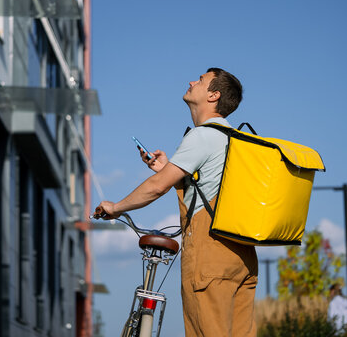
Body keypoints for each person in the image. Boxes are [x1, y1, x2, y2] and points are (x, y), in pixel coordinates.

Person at [95, 67, 258, 336]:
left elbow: (156, 188)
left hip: (210, 257)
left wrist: (116, 207)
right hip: (243, 258)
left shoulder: (202, 136)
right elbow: (209, 185)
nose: (192, 81)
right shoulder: (238, 139)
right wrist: (169, 168)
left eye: (201, 80)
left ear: (213, 95)